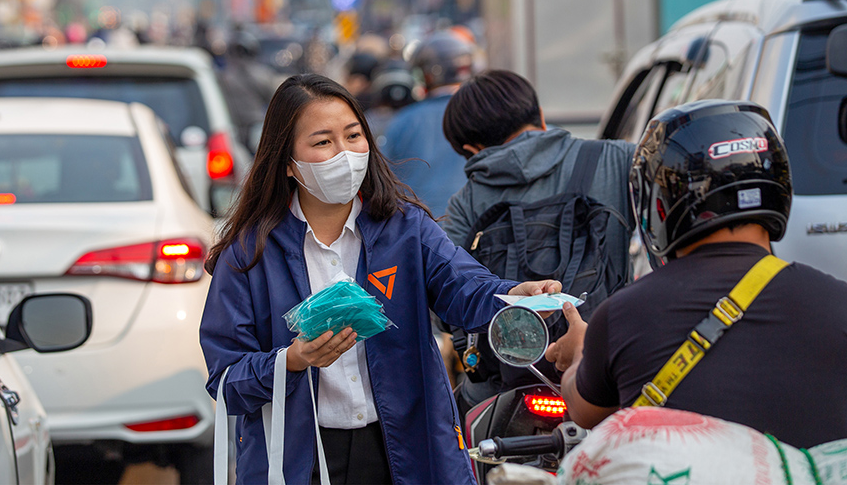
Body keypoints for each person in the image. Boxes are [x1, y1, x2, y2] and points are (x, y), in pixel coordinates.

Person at [199, 73, 562, 485]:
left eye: (353, 136)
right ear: (286, 161)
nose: (345, 154)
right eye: (323, 142)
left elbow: (465, 287)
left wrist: (515, 294)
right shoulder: (248, 256)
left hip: (400, 450)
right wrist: (293, 361)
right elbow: (227, 380)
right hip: (301, 459)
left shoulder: (406, 229)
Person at [547, 99, 847, 449]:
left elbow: (585, 412)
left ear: (658, 202)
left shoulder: (622, 315)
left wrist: (581, 351)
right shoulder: (837, 302)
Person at [441, 69, 636, 410]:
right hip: (610, 375)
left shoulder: (466, 202)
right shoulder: (619, 160)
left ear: (472, 150)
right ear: (541, 118)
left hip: (504, 395)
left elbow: (443, 297)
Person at [380, 30, 476, 218]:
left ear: (425, 74)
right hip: (477, 231)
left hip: (421, 234)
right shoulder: (485, 113)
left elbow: (384, 180)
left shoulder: (402, 121)